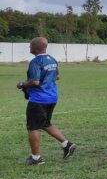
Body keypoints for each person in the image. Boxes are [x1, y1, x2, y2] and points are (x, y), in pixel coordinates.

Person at [17, 37, 76, 165]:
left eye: (30, 46)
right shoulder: (52, 59)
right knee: (45, 124)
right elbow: (57, 76)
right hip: (52, 97)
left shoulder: (35, 62)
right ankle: (67, 144)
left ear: (35, 48)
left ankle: (36, 158)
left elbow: (35, 81)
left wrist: (22, 84)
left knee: (32, 128)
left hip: (38, 99)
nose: (29, 48)